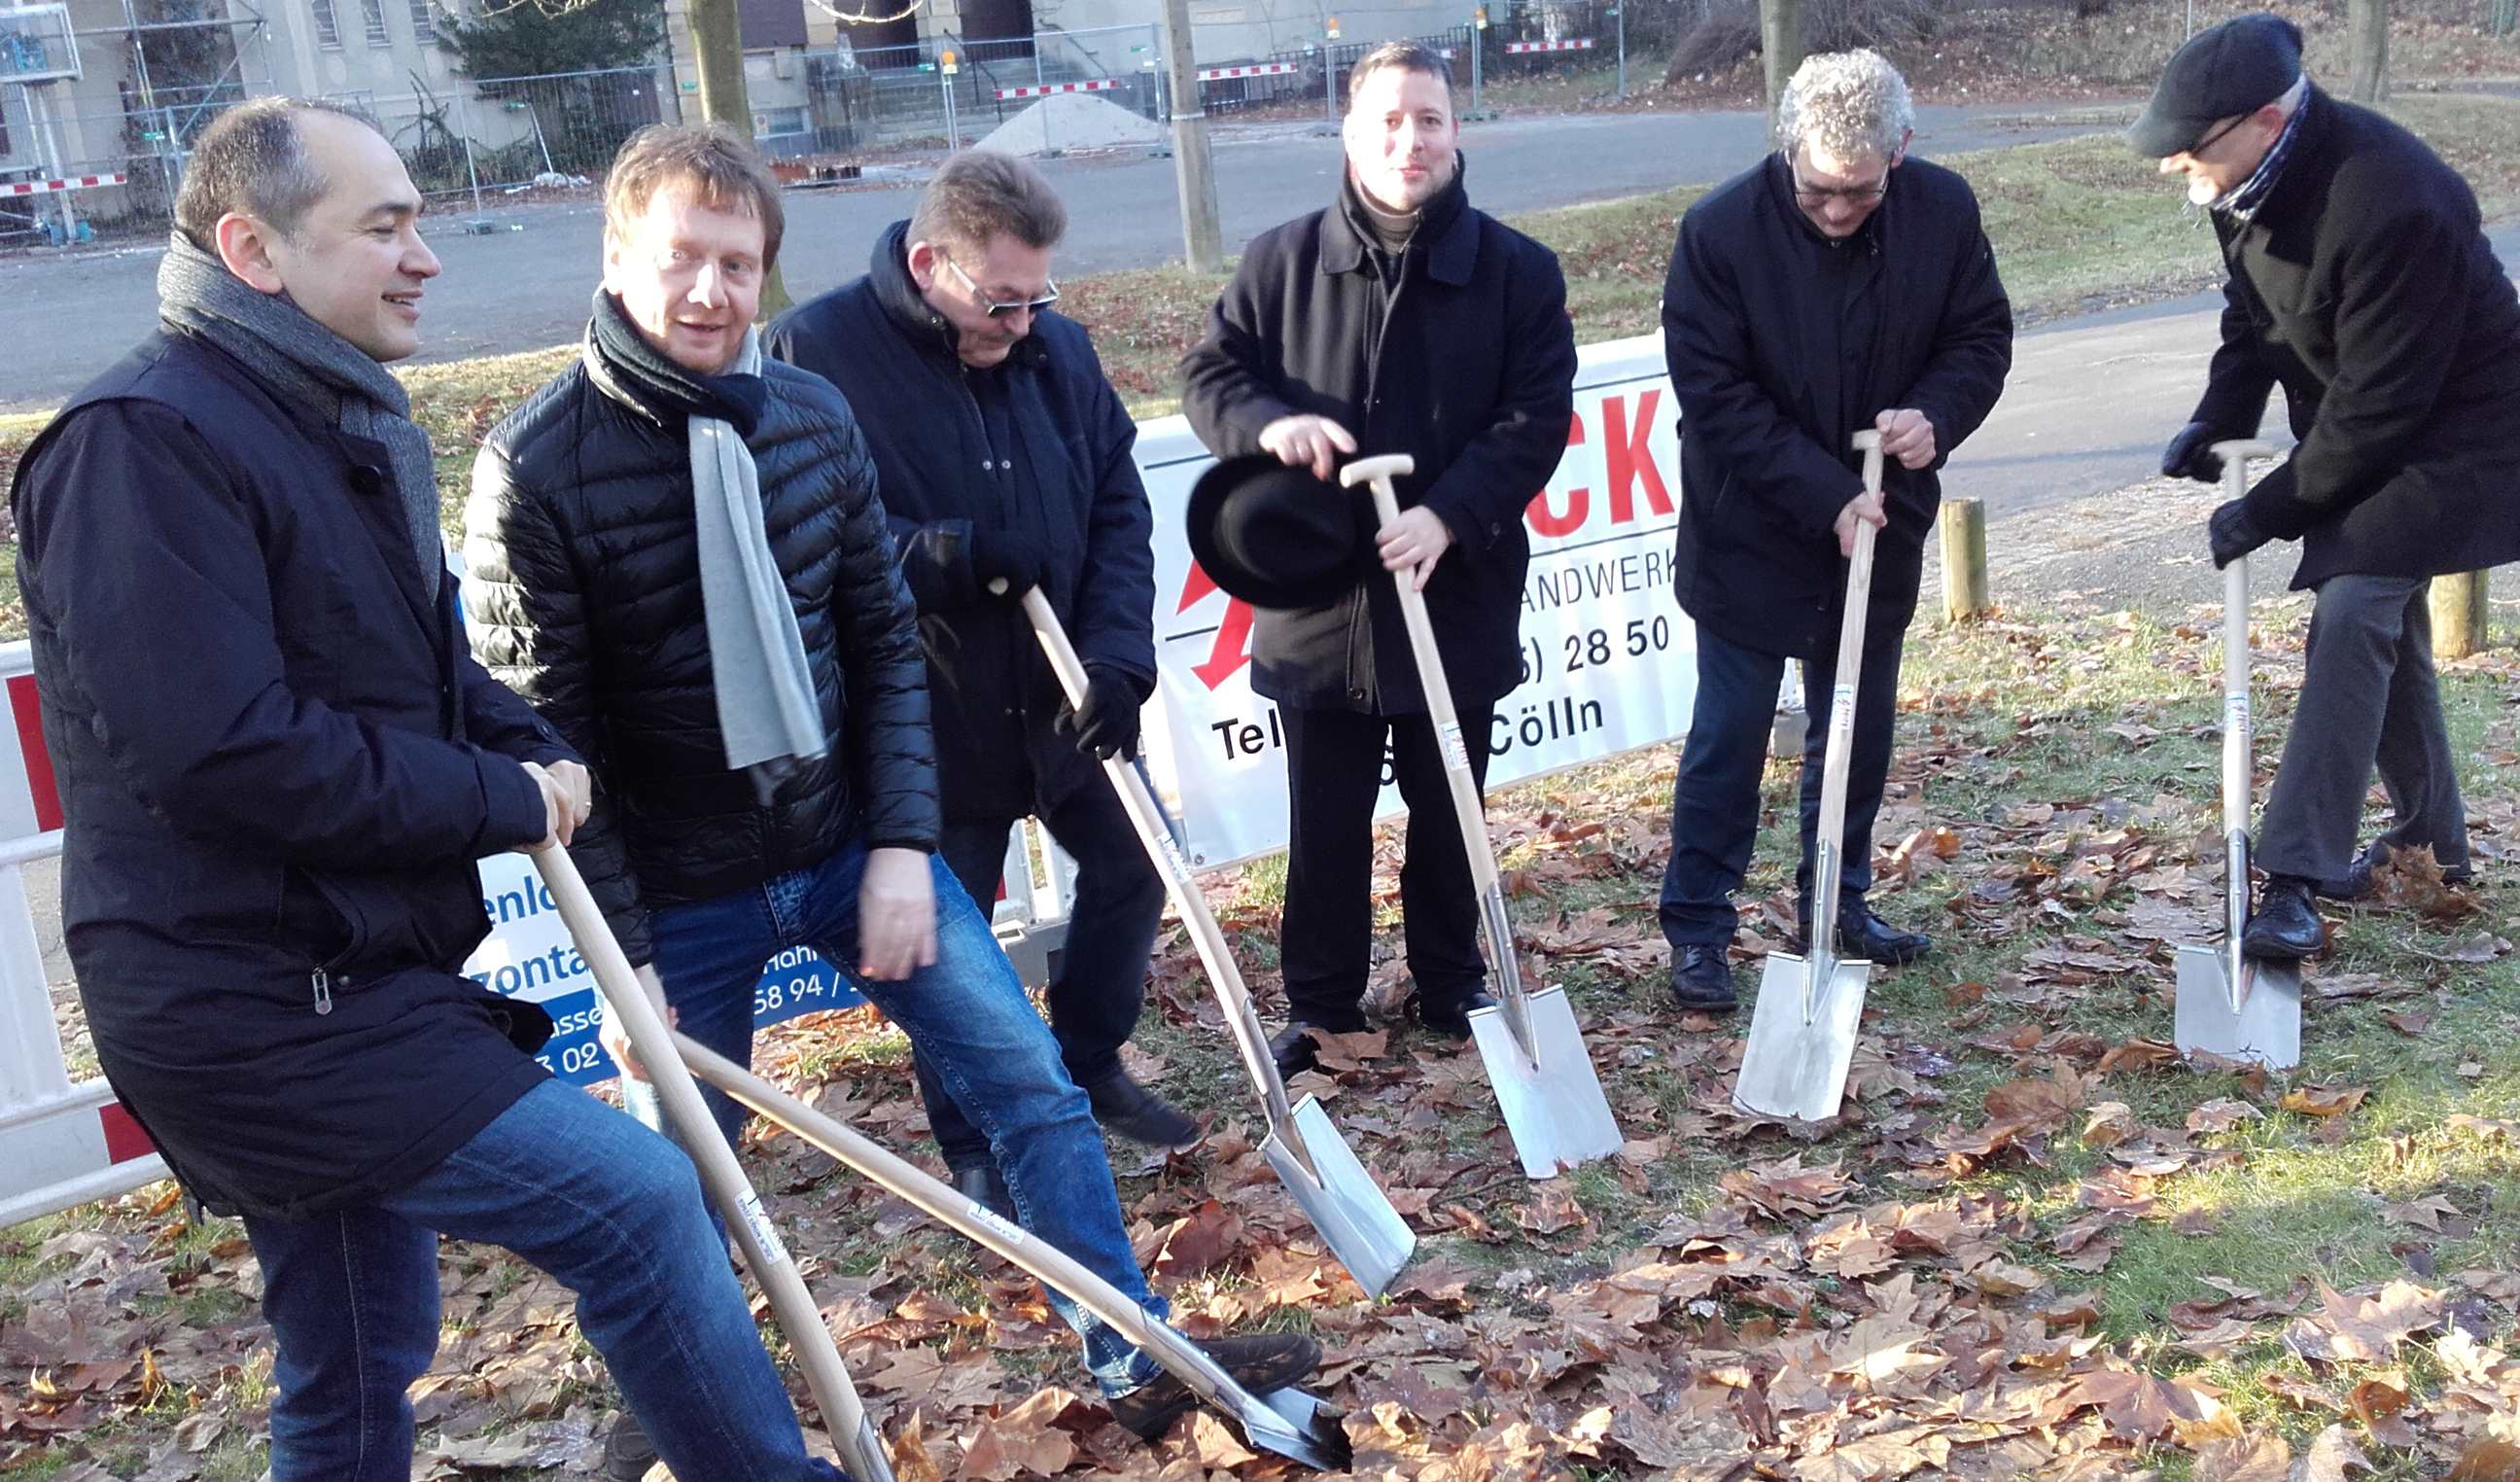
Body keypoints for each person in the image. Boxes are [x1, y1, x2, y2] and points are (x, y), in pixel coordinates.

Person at [8, 98, 853, 1482]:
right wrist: (496, 799)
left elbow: (424, 669)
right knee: (640, 1201)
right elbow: (224, 751)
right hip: (258, 1011)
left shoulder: (326, 420)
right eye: (386, 226)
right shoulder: (141, 446)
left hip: (346, 972)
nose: (426, 256)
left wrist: (528, 746)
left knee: (354, 1354)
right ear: (254, 250)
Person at [461, 123, 1315, 1475]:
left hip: (841, 845)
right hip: (675, 897)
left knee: (1033, 1089)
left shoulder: (808, 420)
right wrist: (626, 966)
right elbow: (553, 752)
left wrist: (905, 846)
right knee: (676, 1179)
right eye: (682, 258)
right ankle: (669, 1415)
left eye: (739, 262)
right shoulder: (535, 469)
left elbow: (879, 650)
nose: (712, 291)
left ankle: (1131, 1358)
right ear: (618, 258)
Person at [764, 152, 1192, 1206]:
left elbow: (1118, 511)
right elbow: (796, 533)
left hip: (1062, 698)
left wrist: (1119, 658)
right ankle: (973, 1138)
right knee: (950, 948)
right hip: (929, 719)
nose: (1025, 323)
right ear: (929, 265)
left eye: (1039, 295)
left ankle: (1088, 1060)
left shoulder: (1060, 352)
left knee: (1140, 862)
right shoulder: (816, 354)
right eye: (1003, 301)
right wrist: (943, 555)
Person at [1179, 41, 1577, 1077]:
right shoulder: (1280, 263)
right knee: (1327, 819)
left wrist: (1450, 516)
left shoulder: (1518, 273)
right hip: (1320, 601)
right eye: (1389, 122)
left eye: (1429, 119)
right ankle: (1322, 1004)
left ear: (1457, 131)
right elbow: (1212, 376)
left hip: (1455, 589)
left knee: (1450, 805)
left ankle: (1449, 981)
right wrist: (1268, 427)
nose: (1411, 141)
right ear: (1352, 134)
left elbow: (1535, 420)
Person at [2137, 14, 2520, 956]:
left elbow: (2380, 410)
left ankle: (2295, 881)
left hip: (2462, 437)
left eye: (2191, 146)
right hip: (2370, 421)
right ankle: (2432, 845)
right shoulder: (2241, 178)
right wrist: (2221, 416)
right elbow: (2252, 312)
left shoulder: (2394, 200)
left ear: (2266, 121)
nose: (2174, 163)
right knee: (2379, 623)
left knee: (2351, 608)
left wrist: (2267, 510)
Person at [1656, 50, 2012, 1012]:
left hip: (1885, 518)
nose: (1839, 209)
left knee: (1856, 725)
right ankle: (1699, 926)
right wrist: (1825, 493)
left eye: (1861, 190)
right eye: (1818, 189)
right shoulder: (1720, 232)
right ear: (1787, 148)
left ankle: (1837, 900)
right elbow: (1715, 397)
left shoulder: (1943, 212)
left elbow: (1979, 337)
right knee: (1731, 734)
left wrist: (1936, 415)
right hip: (1749, 527)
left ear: (1901, 150)